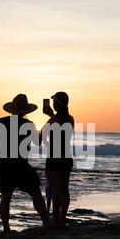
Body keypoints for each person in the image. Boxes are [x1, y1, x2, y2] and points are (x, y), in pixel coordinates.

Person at [0, 94, 50, 233]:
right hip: (21, 164)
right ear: (26, 111)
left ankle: (6, 227)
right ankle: (46, 223)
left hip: (4, 163)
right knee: (35, 192)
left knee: (6, 197)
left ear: (12, 109)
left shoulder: (0, 121)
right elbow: (38, 142)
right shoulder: (28, 124)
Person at [42, 91, 74, 227]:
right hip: (66, 157)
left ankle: (54, 219)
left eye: (54, 102)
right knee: (64, 190)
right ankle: (62, 220)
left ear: (56, 104)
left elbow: (41, 134)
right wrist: (51, 115)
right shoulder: (70, 118)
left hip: (54, 157)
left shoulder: (54, 119)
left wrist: (50, 117)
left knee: (55, 189)